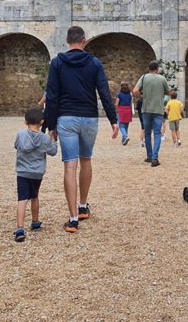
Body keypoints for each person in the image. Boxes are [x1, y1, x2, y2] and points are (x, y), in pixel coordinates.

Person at [44, 26, 118, 233]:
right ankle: (83, 205)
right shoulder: (94, 63)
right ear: (84, 40)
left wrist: (51, 125)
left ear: (67, 40)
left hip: (66, 117)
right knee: (86, 160)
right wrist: (114, 120)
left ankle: (73, 218)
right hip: (89, 118)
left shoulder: (57, 63)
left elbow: (52, 95)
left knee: (70, 165)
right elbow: (103, 91)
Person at [13, 107, 57, 242]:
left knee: (22, 199)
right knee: (34, 196)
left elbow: (16, 146)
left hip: (22, 172)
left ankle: (20, 228)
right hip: (37, 173)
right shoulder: (44, 139)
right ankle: (35, 222)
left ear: (25, 122)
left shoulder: (20, 135)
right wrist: (53, 140)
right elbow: (53, 152)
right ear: (42, 122)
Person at [133, 61, 171, 166]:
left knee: (147, 133)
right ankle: (155, 157)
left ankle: (149, 156)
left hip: (146, 109)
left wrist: (143, 93)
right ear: (157, 69)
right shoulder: (162, 78)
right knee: (157, 133)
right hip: (158, 110)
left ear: (148, 68)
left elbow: (135, 91)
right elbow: (169, 92)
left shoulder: (144, 77)